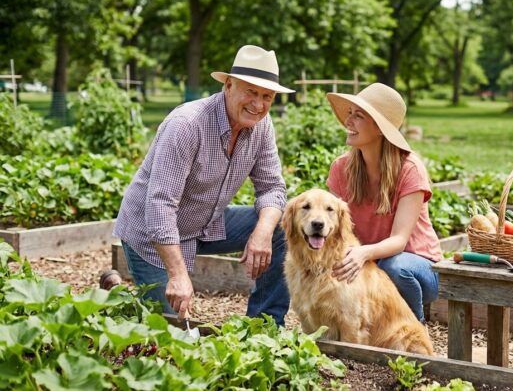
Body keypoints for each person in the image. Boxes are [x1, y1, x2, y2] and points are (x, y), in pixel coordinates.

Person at [113, 45, 295, 324]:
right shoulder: (187, 124)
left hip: (205, 223)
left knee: (280, 228)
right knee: (172, 328)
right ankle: (116, 294)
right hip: (151, 234)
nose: (258, 104)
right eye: (251, 92)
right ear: (229, 86)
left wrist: (262, 232)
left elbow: (272, 187)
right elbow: (160, 206)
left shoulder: (262, 124)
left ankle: (266, 324)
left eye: (266, 96)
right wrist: (177, 274)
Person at [325, 83, 442, 323]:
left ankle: (413, 335)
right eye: (349, 113)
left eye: (358, 116)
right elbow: (334, 228)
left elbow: (399, 241)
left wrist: (361, 253)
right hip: (371, 263)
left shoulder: (409, 169)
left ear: (379, 128)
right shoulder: (341, 168)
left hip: (416, 267)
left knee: (394, 267)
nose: (348, 121)